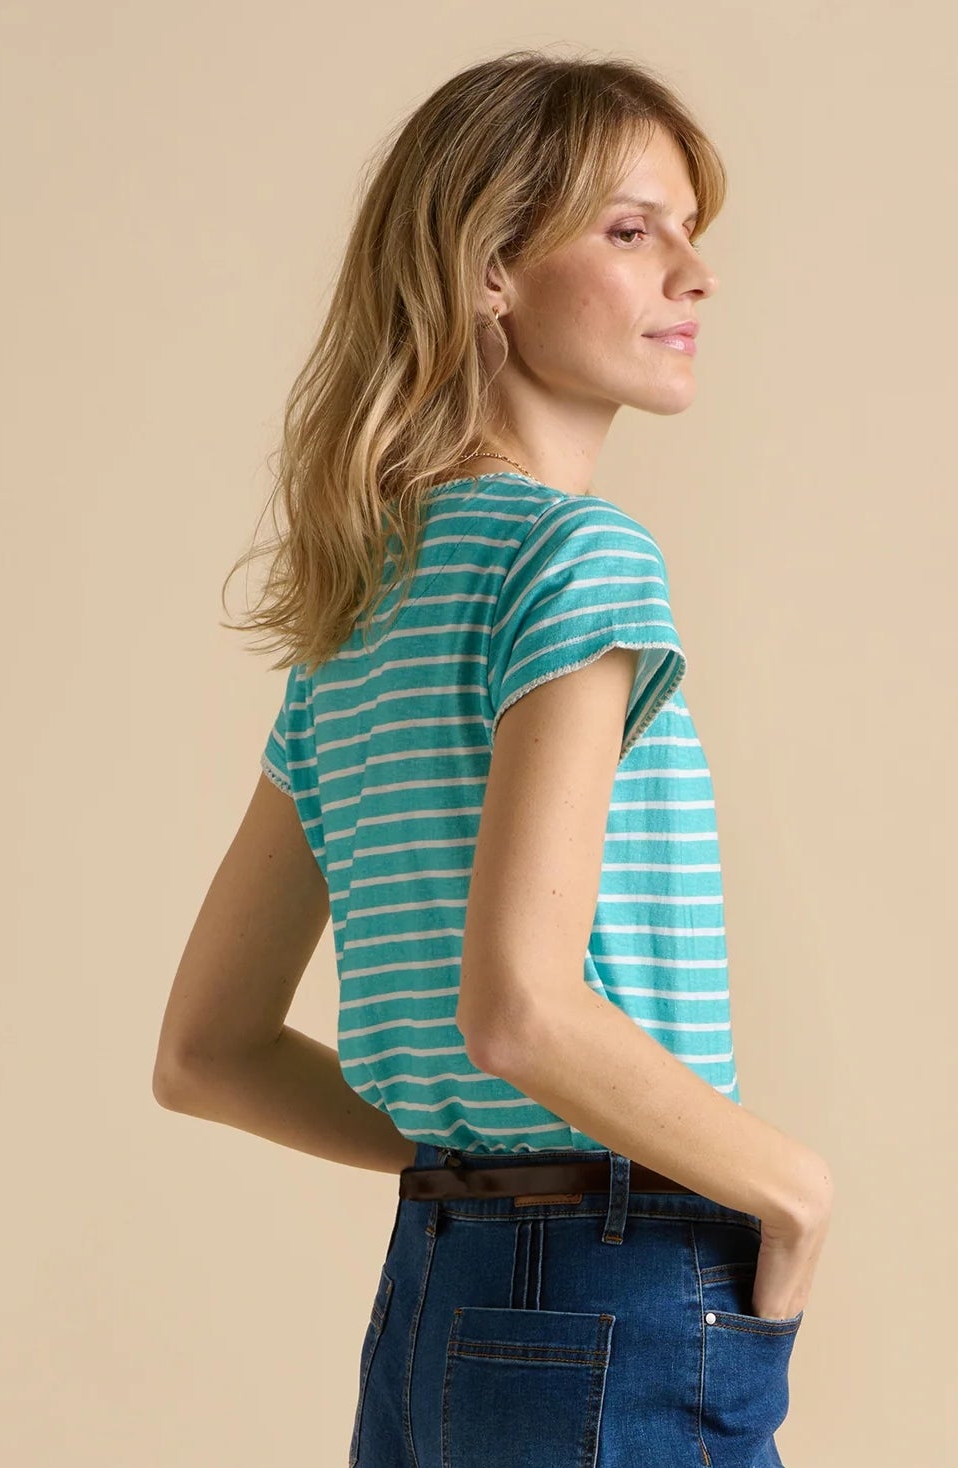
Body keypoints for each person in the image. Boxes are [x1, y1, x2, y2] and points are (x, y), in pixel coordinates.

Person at [152, 47, 834, 1467]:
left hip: (435, 1302)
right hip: (616, 1296)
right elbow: (521, 1010)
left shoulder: (360, 609)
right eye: (632, 231)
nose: (692, 276)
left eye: (691, 232)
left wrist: (467, 1163)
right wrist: (790, 1186)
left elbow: (206, 1050)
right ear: (489, 273)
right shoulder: (578, 561)